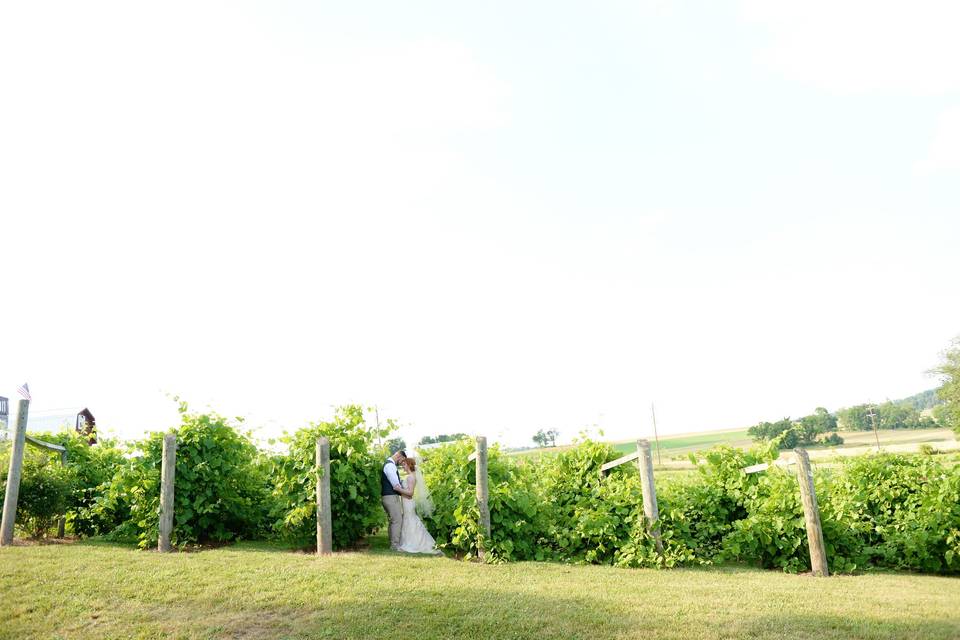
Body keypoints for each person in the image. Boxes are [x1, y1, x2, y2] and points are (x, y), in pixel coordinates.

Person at [396, 456, 441, 555]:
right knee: (408, 520)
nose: (402, 467)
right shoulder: (410, 476)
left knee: (410, 521)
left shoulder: (411, 477)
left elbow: (410, 493)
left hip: (408, 502)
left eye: (404, 464)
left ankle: (414, 543)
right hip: (406, 502)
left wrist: (399, 490)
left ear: (408, 465)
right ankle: (409, 541)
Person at [381, 449, 407, 550]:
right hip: (390, 497)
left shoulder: (388, 464)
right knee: (397, 520)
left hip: (387, 496)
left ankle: (392, 542)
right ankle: (394, 545)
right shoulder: (390, 466)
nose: (401, 464)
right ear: (399, 456)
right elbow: (396, 485)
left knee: (393, 520)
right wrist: (407, 494)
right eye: (402, 461)